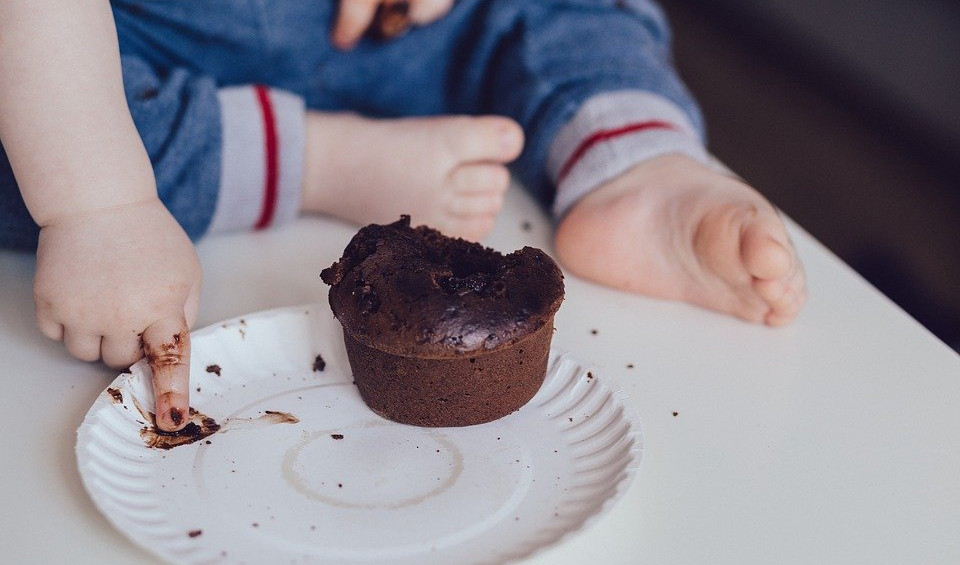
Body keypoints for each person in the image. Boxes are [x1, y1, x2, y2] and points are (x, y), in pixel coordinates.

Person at [0, 0, 805, 431]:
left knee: (569, 9)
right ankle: (316, 158)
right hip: (127, 62)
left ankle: (634, 163)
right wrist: (98, 202)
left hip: (396, 35)